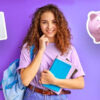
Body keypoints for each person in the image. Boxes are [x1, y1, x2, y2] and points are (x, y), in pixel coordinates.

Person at [17, 4, 85, 100]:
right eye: (44, 22)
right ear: (38, 24)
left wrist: (54, 81)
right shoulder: (29, 47)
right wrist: (41, 50)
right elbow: (25, 81)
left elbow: (80, 83)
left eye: (54, 22)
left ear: (59, 24)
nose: (49, 26)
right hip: (33, 95)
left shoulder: (68, 49)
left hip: (58, 97)